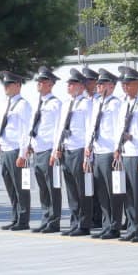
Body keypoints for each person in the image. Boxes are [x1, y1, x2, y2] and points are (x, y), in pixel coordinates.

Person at [113, 65, 138, 242]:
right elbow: (118, 128)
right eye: (123, 83)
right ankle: (131, 226)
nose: (125, 86)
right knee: (127, 193)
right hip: (125, 152)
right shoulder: (124, 104)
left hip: (137, 152)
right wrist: (117, 148)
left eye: (128, 83)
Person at [55, 69, 94, 236]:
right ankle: (74, 221)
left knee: (81, 189)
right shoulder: (65, 104)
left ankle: (84, 223)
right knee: (71, 189)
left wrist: (88, 154)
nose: (69, 86)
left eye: (72, 84)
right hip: (66, 148)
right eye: (68, 84)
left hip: (79, 149)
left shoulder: (86, 103)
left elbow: (89, 128)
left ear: (80, 86)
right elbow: (59, 127)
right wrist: (56, 147)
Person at [25, 66, 63, 233]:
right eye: (38, 81)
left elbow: (57, 129)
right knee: (43, 188)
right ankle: (45, 218)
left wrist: (56, 150)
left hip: (49, 149)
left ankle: (54, 221)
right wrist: (29, 145)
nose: (39, 84)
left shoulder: (56, 104)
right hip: (37, 149)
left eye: (42, 81)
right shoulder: (36, 103)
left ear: (50, 84)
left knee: (52, 187)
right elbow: (31, 126)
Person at [0, 70, 34, 232]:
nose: (6, 87)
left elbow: (25, 131)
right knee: (10, 185)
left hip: (16, 150)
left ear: (18, 85)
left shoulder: (23, 105)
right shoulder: (6, 103)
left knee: (20, 186)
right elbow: (4, 126)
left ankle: (23, 219)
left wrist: (22, 154)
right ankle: (15, 216)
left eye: (9, 84)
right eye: (5, 84)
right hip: (5, 148)